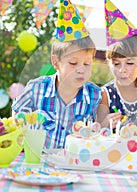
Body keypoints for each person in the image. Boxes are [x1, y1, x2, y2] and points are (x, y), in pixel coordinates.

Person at [12, 0, 101, 149]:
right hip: (39, 161)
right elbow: (17, 113)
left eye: (87, 64)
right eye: (73, 63)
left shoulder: (95, 95)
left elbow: (100, 129)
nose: (81, 69)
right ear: (55, 62)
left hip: (76, 163)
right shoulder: (36, 88)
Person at [97, 34, 137, 151]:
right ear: (109, 63)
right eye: (116, 64)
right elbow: (100, 127)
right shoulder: (106, 93)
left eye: (130, 63)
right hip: (112, 156)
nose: (122, 69)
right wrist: (106, 122)